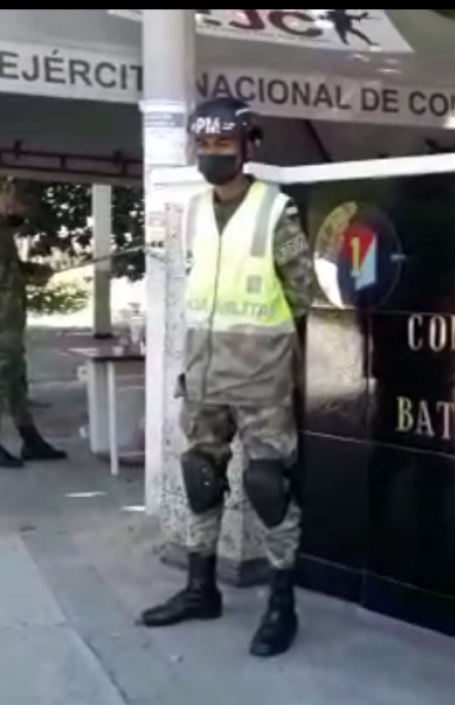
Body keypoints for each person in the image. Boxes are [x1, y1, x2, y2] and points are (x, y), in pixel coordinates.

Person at [138, 97, 316, 658]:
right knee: (200, 475)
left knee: (268, 486)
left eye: (224, 145)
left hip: (261, 375)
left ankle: (282, 605)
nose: (213, 155)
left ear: (249, 148)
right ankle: (200, 589)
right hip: (204, 371)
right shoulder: (190, 211)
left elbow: (303, 291)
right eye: (206, 145)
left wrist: (279, 355)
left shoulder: (277, 211)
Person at [0, 179, 68, 468]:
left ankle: (30, 440)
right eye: (23, 206)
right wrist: (33, 277)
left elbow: (11, 267)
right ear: (6, 198)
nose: (24, 214)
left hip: (7, 317)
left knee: (15, 381)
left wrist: (33, 268)